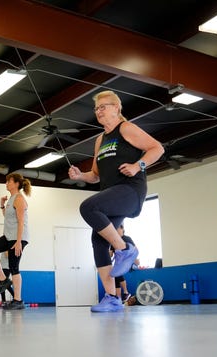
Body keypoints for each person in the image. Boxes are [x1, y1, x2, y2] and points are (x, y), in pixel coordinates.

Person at [68, 90, 164, 312]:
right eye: (96, 108)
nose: (99, 111)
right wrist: (80, 176)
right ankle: (112, 298)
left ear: (117, 108)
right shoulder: (100, 140)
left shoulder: (126, 129)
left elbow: (157, 148)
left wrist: (137, 166)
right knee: (98, 240)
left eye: (103, 106)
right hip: (112, 194)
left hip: (131, 190)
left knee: (88, 207)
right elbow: (95, 175)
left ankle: (125, 249)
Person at [0, 172, 31, 310]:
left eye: (9, 181)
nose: (6, 183)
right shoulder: (11, 199)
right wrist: (2, 205)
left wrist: (18, 242)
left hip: (18, 237)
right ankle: (3, 280)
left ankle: (18, 300)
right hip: (8, 236)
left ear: (16, 184)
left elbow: (21, 222)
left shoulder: (19, 199)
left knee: (14, 267)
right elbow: (7, 217)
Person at [111, 224, 138, 305]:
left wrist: (135, 260)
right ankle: (118, 299)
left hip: (127, 262)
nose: (116, 231)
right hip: (118, 263)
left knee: (117, 273)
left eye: (117, 228)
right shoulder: (113, 241)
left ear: (122, 229)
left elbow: (134, 249)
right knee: (115, 276)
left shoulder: (127, 238)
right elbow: (111, 254)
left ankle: (126, 292)